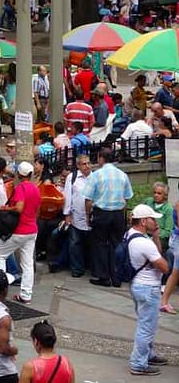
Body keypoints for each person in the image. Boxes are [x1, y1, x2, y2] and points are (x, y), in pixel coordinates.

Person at [124, 203, 170, 376]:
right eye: (152, 219)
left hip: (137, 285)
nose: (155, 222)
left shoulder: (131, 235)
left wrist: (156, 236)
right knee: (146, 327)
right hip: (148, 288)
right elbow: (165, 267)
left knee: (147, 323)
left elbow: (155, 253)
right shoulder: (144, 243)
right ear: (144, 221)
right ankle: (138, 363)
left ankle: (148, 354)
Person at [0, 161, 40, 304]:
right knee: (27, 263)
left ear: (19, 174)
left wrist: (5, 208)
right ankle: (26, 294)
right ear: (30, 174)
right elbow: (37, 210)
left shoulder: (21, 188)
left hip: (19, 230)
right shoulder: (36, 189)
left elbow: (19, 208)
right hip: (32, 230)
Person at [84, 148, 132, 286]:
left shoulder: (96, 175)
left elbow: (88, 199)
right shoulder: (123, 175)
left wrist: (88, 215)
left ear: (101, 158)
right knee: (115, 244)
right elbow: (127, 197)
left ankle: (103, 276)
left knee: (100, 244)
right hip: (117, 214)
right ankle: (116, 277)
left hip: (101, 213)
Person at [62, 155, 92, 278]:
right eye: (84, 164)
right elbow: (68, 196)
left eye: (89, 163)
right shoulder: (72, 177)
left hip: (90, 217)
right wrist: (67, 214)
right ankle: (77, 268)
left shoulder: (95, 177)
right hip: (76, 216)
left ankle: (90, 266)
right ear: (79, 165)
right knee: (75, 243)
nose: (87, 166)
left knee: (91, 243)